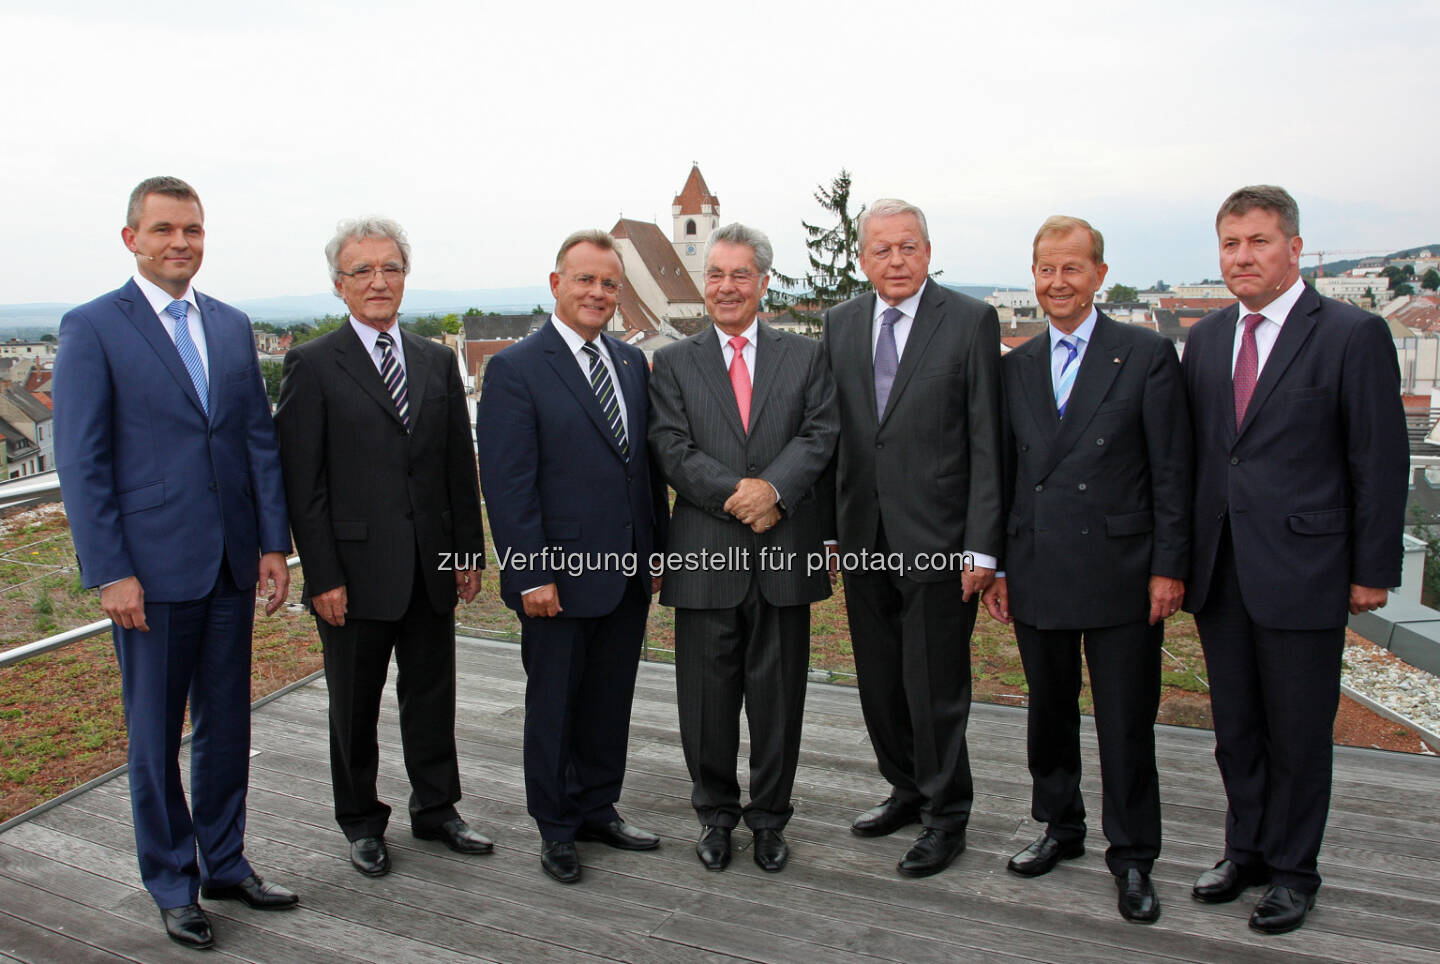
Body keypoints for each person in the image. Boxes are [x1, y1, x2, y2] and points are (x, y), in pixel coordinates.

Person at [53, 176, 298, 950]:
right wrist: (109, 570)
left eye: (192, 229)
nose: (180, 243)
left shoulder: (229, 326)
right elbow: (83, 462)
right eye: (163, 230)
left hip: (229, 563)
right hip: (150, 574)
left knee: (226, 725)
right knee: (154, 736)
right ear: (132, 238)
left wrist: (271, 544)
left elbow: (256, 439)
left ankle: (224, 861)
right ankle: (171, 879)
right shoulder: (93, 327)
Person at [1182, 185, 1407, 934]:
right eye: (1230, 244)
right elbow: (1207, 458)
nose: (1242, 257)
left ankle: (1292, 871)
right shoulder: (1209, 339)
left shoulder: (1351, 334)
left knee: (1300, 733)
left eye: (1258, 241)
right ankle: (1244, 850)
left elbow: (1379, 459)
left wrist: (1373, 570)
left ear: (1295, 249)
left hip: (1306, 571)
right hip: (1223, 570)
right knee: (1236, 728)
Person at [982, 216, 1190, 923]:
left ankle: (1133, 858)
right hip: (1037, 566)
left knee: (1126, 724)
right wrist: (1002, 567)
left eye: (1072, 268)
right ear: (1033, 275)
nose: (1057, 282)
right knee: (1048, 713)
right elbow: (1006, 477)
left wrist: (1169, 567)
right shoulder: (1015, 366)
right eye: (1046, 269)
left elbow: (1171, 471)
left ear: (1099, 274)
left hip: (1124, 574)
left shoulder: (1146, 354)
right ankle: (1059, 827)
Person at [274, 217, 491, 880]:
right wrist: (321, 576)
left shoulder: (431, 359)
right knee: (354, 706)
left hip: (430, 568)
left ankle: (438, 809)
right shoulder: (312, 364)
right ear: (339, 284)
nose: (378, 281)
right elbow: (301, 483)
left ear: (404, 277)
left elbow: (458, 464)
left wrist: (466, 555)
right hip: (354, 574)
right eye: (362, 270)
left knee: (432, 696)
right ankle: (362, 822)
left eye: (389, 267)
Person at [476, 229, 669, 884]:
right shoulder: (514, 368)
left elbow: (642, 468)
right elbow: (508, 484)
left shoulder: (627, 363)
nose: (597, 292)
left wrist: (658, 551)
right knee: (555, 704)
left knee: (609, 700)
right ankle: (556, 826)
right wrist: (530, 570)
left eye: (608, 283)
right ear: (556, 283)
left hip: (625, 572)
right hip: (556, 578)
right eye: (584, 279)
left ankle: (597, 807)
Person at [820, 198, 1004, 877]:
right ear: (862, 257)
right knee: (880, 683)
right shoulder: (838, 324)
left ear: (928, 251)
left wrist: (982, 545)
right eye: (881, 249)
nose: (895, 261)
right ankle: (904, 787)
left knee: (935, 687)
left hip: (940, 538)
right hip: (861, 535)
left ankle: (946, 814)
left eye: (908, 247)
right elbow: (830, 435)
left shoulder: (970, 320)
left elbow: (988, 437)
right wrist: (830, 534)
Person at [648, 223, 839, 873]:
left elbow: (820, 435)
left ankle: (769, 819)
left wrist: (776, 492)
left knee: (779, 700)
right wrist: (741, 494)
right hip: (706, 553)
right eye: (716, 276)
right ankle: (716, 815)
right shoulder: (673, 363)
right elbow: (672, 448)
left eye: (740, 275)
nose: (727, 287)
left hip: (784, 552)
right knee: (705, 702)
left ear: (762, 282)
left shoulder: (806, 357)